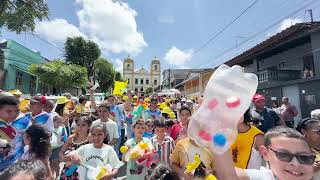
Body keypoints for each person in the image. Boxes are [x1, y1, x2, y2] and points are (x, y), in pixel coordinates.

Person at [213, 126, 315, 180]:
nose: (296, 163)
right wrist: (216, 130)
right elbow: (227, 175)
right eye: (284, 155)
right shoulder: (265, 177)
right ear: (265, 153)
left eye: (305, 158)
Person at [0, 96, 21, 171]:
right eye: (9, 111)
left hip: (14, 166)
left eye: (17, 111)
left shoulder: (24, 122)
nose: (14, 114)